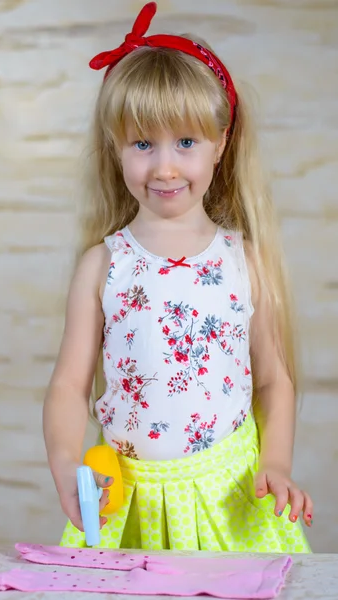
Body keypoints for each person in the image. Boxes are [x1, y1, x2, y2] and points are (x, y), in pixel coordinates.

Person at [42, 2, 313, 553]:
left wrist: (277, 463)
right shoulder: (104, 265)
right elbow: (70, 386)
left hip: (229, 496)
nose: (164, 166)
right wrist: (67, 462)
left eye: (185, 142)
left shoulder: (244, 262)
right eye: (143, 144)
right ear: (116, 151)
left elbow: (272, 380)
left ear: (220, 144)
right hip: (129, 500)